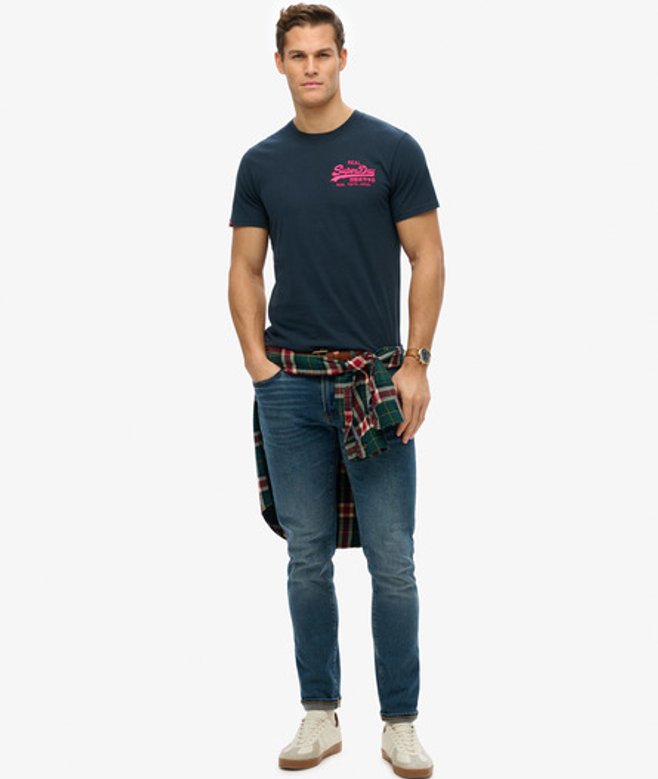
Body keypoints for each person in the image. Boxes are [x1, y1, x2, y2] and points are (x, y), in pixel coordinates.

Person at [227, 4, 445, 777]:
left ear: (344, 58)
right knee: (306, 557)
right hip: (290, 386)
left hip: (373, 381)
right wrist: (258, 366)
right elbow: (244, 268)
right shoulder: (261, 163)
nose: (311, 67)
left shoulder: (391, 149)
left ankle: (400, 722)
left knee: (393, 559)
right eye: (298, 55)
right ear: (279, 64)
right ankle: (319, 713)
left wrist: (416, 361)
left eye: (323, 53)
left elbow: (428, 256)